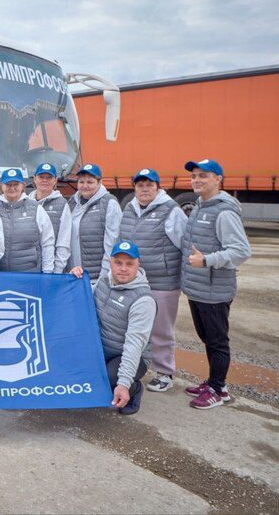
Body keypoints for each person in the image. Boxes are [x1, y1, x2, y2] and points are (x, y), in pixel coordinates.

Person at [181, 158, 251, 410]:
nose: (196, 180)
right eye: (194, 176)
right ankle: (213, 383)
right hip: (199, 288)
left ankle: (219, 390)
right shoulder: (200, 206)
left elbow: (241, 251)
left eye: (203, 175)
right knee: (208, 338)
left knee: (218, 342)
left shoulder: (224, 212)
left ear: (218, 179)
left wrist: (207, 260)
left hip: (214, 290)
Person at [119, 168, 187, 393]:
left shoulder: (171, 210)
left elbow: (185, 244)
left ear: (158, 187)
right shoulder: (129, 209)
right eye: (140, 185)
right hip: (135, 281)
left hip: (163, 281)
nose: (145, 189)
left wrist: (185, 276)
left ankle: (164, 372)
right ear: (134, 188)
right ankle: (134, 368)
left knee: (161, 329)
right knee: (134, 327)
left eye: (149, 185)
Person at [75, 240, 155, 416]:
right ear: (110, 262)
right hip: (100, 349)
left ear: (138, 265)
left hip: (127, 355)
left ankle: (134, 389)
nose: (123, 268)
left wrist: (123, 383)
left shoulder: (143, 300)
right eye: (118, 263)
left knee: (106, 380)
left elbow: (134, 345)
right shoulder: (104, 281)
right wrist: (74, 280)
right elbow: (83, 297)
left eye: (129, 264)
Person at [68, 164, 122, 284]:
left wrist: (103, 277)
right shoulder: (72, 203)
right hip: (75, 275)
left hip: (96, 278)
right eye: (81, 182)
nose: (85, 186)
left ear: (99, 183)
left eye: (90, 182)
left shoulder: (109, 203)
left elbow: (112, 243)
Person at [0, 168, 55, 273]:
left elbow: (47, 242)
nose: (12, 188)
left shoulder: (36, 208)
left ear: (23, 186)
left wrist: (48, 272)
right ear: (1, 186)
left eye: (16, 184)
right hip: (0, 274)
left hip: (30, 274)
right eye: (8, 184)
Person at [28, 163, 72, 273]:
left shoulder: (62, 205)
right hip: (28, 268)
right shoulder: (26, 203)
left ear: (55, 180)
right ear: (34, 179)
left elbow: (64, 241)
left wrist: (57, 270)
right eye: (41, 177)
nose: (45, 180)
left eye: (49, 177)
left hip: (51, 269)